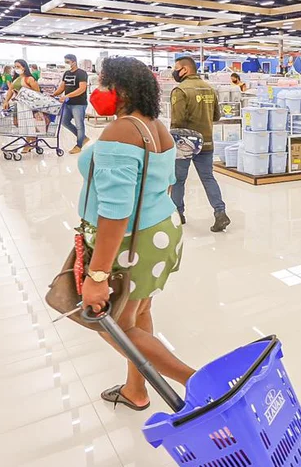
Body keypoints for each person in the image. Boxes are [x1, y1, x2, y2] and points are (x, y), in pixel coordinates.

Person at [78, 56, 195, 411]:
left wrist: (97, 276)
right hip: (160, 232)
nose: (98, 92)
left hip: (132, 241)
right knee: (139, 313)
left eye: (103, 84)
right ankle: (135, 389)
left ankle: (197, 380)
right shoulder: (155, 126)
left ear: (123, 89)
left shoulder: (121, 132)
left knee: (111, 325)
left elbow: (116, 211)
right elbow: (169, 184)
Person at [170, 57, 230, 232]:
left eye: (176, 69)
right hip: (206, 141)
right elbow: (216, 117)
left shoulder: (180, 90)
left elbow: (177, 120)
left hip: (185, 143)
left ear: (185, 70)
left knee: (179, 179)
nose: (174, 72)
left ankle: (178, 213)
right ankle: (220, 212)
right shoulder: (210, 89)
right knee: (208, 178)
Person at [3, 59, 45, 153]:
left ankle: (28, 144)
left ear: (24, 67)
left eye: (18, 66)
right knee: (20, 123)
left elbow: (37, 93)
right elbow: (10, 90)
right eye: (15, 67)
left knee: (28, 123)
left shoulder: (29, 79)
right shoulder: (16, 79)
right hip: (19, 105)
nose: (16, 68)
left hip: (28, 106)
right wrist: (6, 101)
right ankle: (32, 141)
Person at [53, 54, 90, 154]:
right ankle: (83, 138)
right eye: (65, 62)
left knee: (79, 125)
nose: (66, 64)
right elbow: (62, 87)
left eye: (68, 62)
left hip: (79, 103)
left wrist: (67, 96)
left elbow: (82, 89)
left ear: (74, 62)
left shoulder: (82, 73)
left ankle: (79, 145)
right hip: (68, 103)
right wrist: (53, 94)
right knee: (64, 122)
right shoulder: (66, 73)